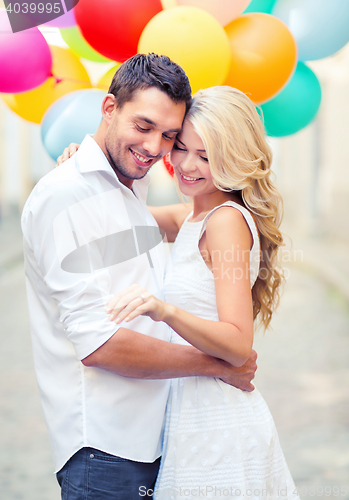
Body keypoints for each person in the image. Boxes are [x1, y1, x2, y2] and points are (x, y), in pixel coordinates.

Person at [22, 54, 257, 500]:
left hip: (160, 436)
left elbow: (187, 227)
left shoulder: (129, 185)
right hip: (107, 448)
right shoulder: (66, 196)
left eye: (169, 136)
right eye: (144, 126)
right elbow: (99, 344)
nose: (155, 148)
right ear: (109, 108)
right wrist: (218, 364)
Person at [102, 86, 300, 499]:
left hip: (219, 424)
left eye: (207, 156)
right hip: (187, 413)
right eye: (182, 147)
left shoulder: (225, 221)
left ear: (234, 158)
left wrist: (164, 310)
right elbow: (115, 216)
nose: (187, 165)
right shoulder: (192, 216)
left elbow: (238, 344)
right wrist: (87, 161)